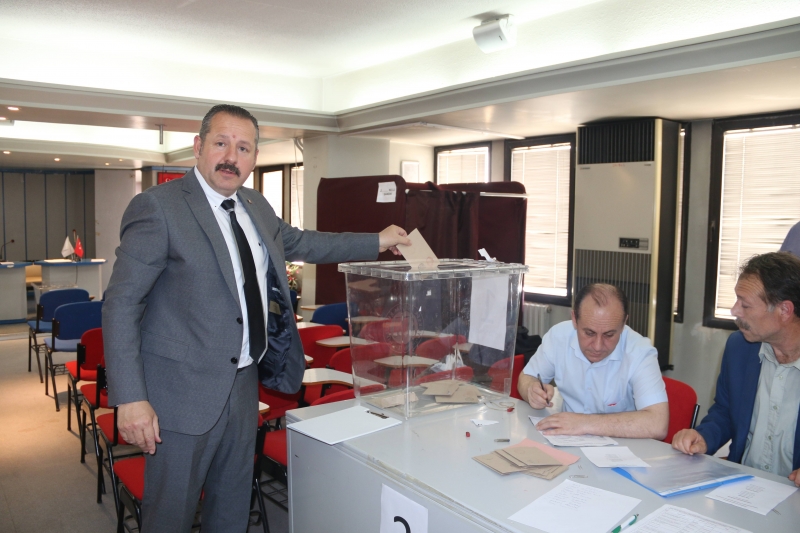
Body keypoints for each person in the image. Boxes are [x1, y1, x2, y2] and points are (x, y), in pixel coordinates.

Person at [103, 104, 410, 532]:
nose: (231, 157)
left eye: (243, 148)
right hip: (180, 394)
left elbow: (306, 243)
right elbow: (121, 303)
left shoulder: (254, 205)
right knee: (170, 516)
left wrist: (376, 240)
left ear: (254, 157)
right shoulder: (159, 208)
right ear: (198, 146)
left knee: (231, 508)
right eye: (221, 143)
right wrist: (130, 398)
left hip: (244, 385)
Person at [672, 252, 800, 487]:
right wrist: (704, 436)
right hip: (744, 485)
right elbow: (726, 411)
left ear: (784, 310)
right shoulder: (740, 348)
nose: (734, 310)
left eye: (745, 304)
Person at [518, 283, 668, 439]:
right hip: (565, 440)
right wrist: (531, 390)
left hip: (622, 444)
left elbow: (658, 424)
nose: (597, 346)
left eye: (609, 335)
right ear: (574, 319)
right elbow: (527, 377)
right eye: (589, 333)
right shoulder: (558, 336)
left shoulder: (640, 352)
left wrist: (583, 423)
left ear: (624, 323)